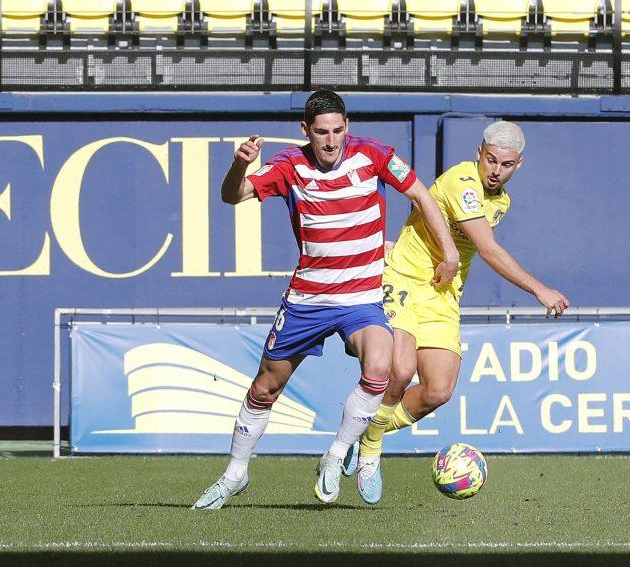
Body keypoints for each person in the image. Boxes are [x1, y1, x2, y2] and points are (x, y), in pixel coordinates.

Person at [192, 89, 459, 509]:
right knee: (265, 388)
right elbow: (232, 195)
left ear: (347, 127)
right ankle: (234, 474)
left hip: (362, 298)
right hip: (307, 301)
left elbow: (422, 196)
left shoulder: (374, 155)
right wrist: (240, 163)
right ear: (306, 131)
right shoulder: (289, 166)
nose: (331, 141)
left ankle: (337, 454)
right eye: (321, 133)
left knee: (381, 366)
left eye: (337, 130)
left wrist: (451, 250)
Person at [355, 121, 569, 504]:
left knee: (438, 390)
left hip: (442, 295)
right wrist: (540, 289)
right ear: (479, 152)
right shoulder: (462, 181)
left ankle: (366, 433)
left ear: (518, 165)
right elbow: (487, 249)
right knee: (400, 369)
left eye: (505, 164)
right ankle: (369, 451)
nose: (495, 170)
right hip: (404, 277)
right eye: (490, 160)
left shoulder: (501, 202)